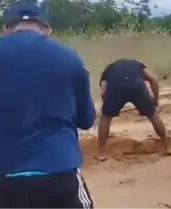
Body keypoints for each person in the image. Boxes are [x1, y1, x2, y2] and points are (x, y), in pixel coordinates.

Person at [0, 2, 96, 208]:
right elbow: (86, 119)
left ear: (6, 28)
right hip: (58, 168)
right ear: (47, 29)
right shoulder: (70, 58)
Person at [96, 59, 171, 160]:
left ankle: (101, 152)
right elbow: (153, 79)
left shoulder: (107, 71)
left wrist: (107, 108)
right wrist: (155, 100)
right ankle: (167, 146)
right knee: (152, 114)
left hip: (116, 89)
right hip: (136, 85)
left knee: (105, 118)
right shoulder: (137, 64)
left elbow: (103, 92)